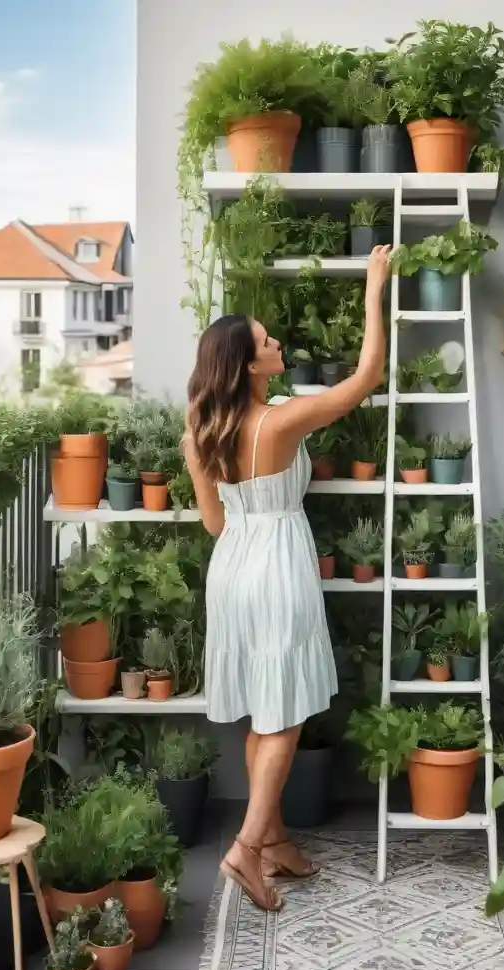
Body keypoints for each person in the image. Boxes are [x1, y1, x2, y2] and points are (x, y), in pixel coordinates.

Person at [181, 245, 392, 911]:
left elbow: (215, 524)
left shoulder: (200, 431)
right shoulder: (280, 421)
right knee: (287, 715)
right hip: (276, 566)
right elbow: (366, 378)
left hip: (233, 569)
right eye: (268, 342)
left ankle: (272, 840)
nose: (279, 345)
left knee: (263, 707)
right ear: (248, 364)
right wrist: (372, 290)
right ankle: (245, 849)